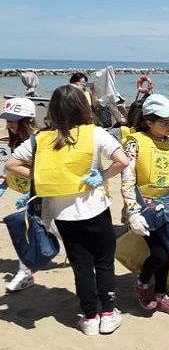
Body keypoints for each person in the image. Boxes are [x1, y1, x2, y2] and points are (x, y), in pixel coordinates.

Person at [6, 85, 129, 335]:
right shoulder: (94, 133)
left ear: (53, 110)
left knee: (81, 265)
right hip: (95, 209)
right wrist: (103, 174)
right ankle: (108, 313)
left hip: (64, 216)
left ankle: (90, 317)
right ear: (83, 108)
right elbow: (123, 161)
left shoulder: (42, 138)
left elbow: (11, 163)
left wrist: (39, 179)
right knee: (104, 262)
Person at [121, 93, 169, 316]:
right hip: (145, 208)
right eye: (164, 122)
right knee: (159, 254)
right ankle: (141, 283)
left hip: (168, 204)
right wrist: (132, 210)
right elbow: (127, 178)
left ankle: (161, 294)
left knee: (168, 250)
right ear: (149, 121)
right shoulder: (135, 143)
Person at [0, 97, 37, 292]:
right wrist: (4, 185)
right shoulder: (13, 142)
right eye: (8, 120)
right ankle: (25, 272)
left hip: (45, 197)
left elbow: (46, 171)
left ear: (28, 120)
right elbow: (10, 168)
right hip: (31, 197)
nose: (10, 124)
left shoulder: (39, 141)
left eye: (14, 120)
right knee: (22, 229)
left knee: (62, 232)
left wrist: (35, 189)